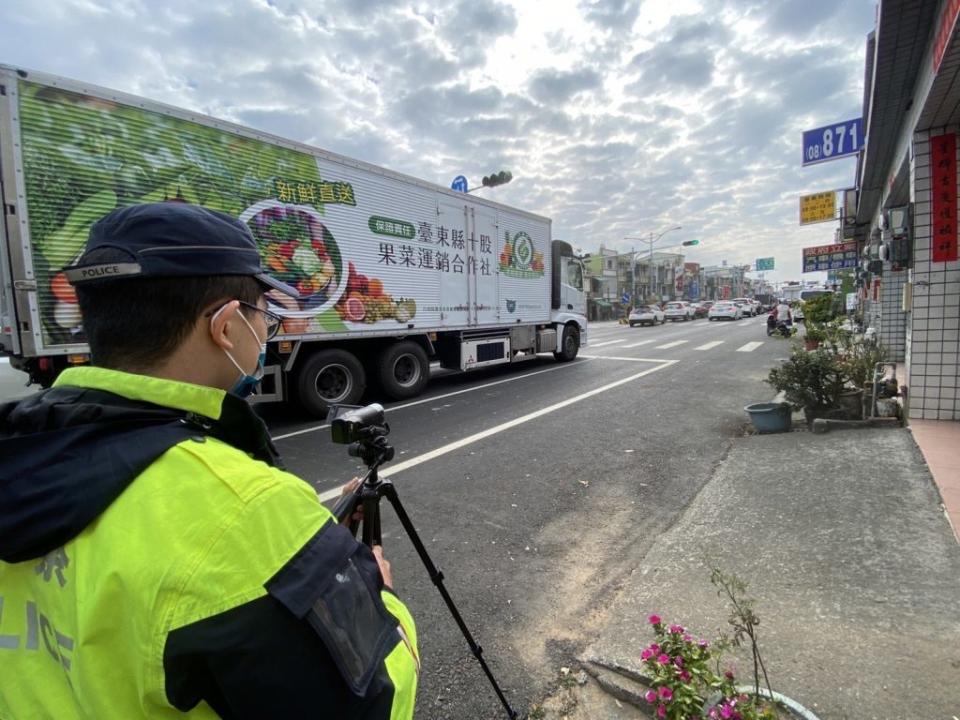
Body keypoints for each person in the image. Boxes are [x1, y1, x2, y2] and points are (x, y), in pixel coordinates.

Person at [0, 203, 419, 719]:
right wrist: (381, 598)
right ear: (226, 327)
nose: (266, 331)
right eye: (262, 313)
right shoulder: (249, 512)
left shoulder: (20, 449)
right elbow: (377, 702)